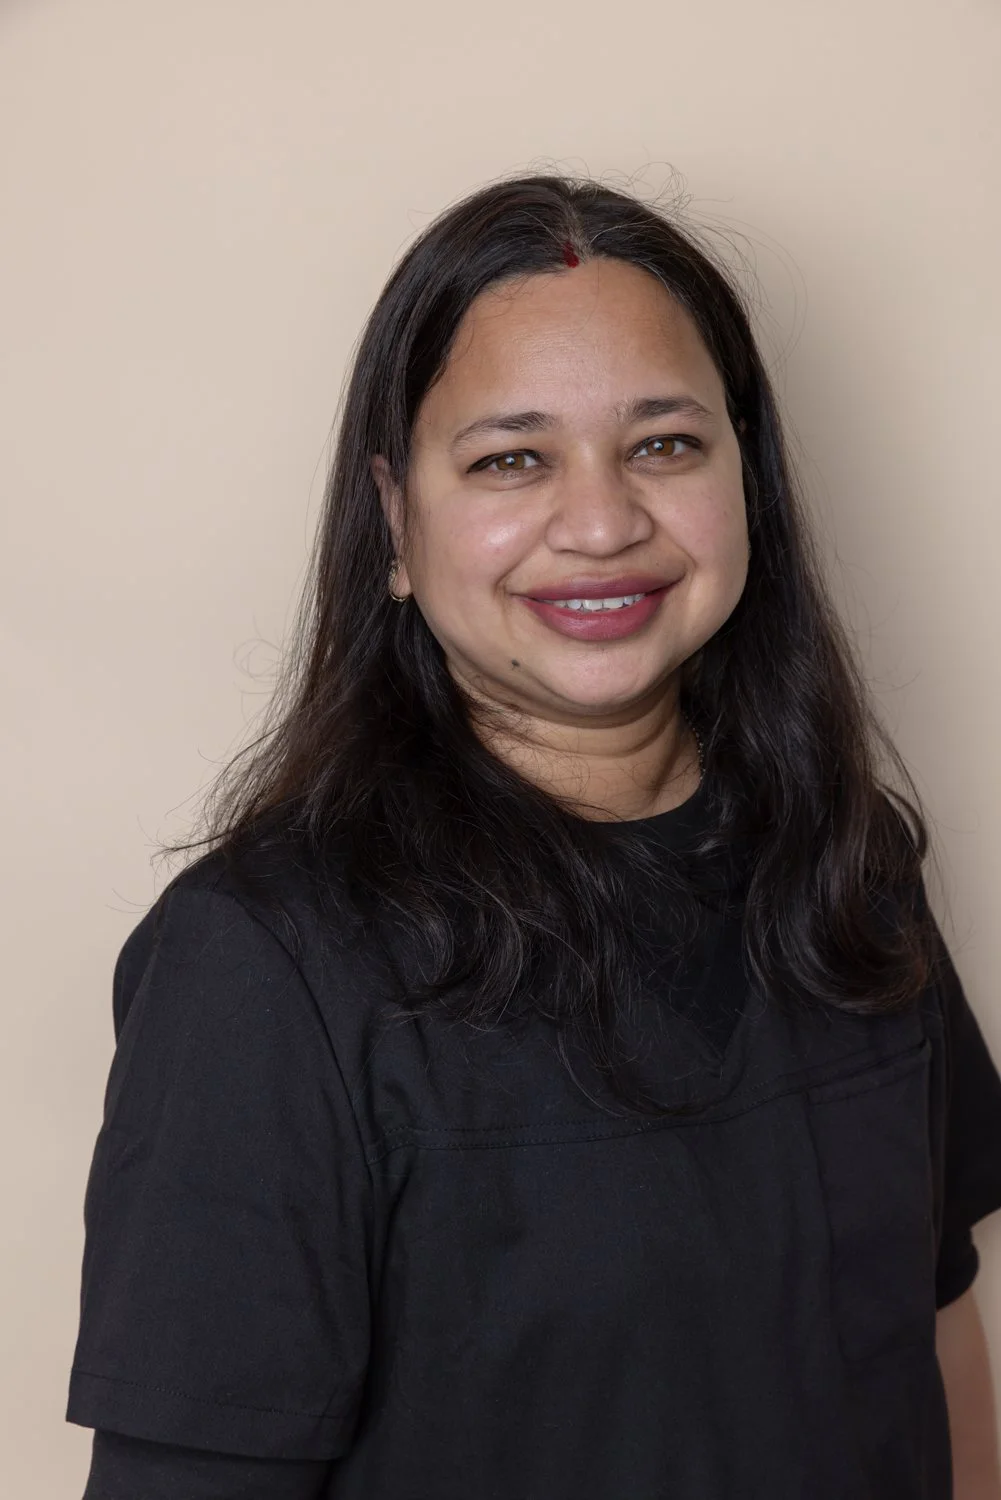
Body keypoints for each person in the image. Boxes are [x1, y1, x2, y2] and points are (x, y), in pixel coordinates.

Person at [66, 173, 1001, 1499]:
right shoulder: (263, 966)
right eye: (512, 457)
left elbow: (935, 1322)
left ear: (752, 482)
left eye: (665, 444)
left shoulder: (854, 868)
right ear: (394, 522)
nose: (604, 522)